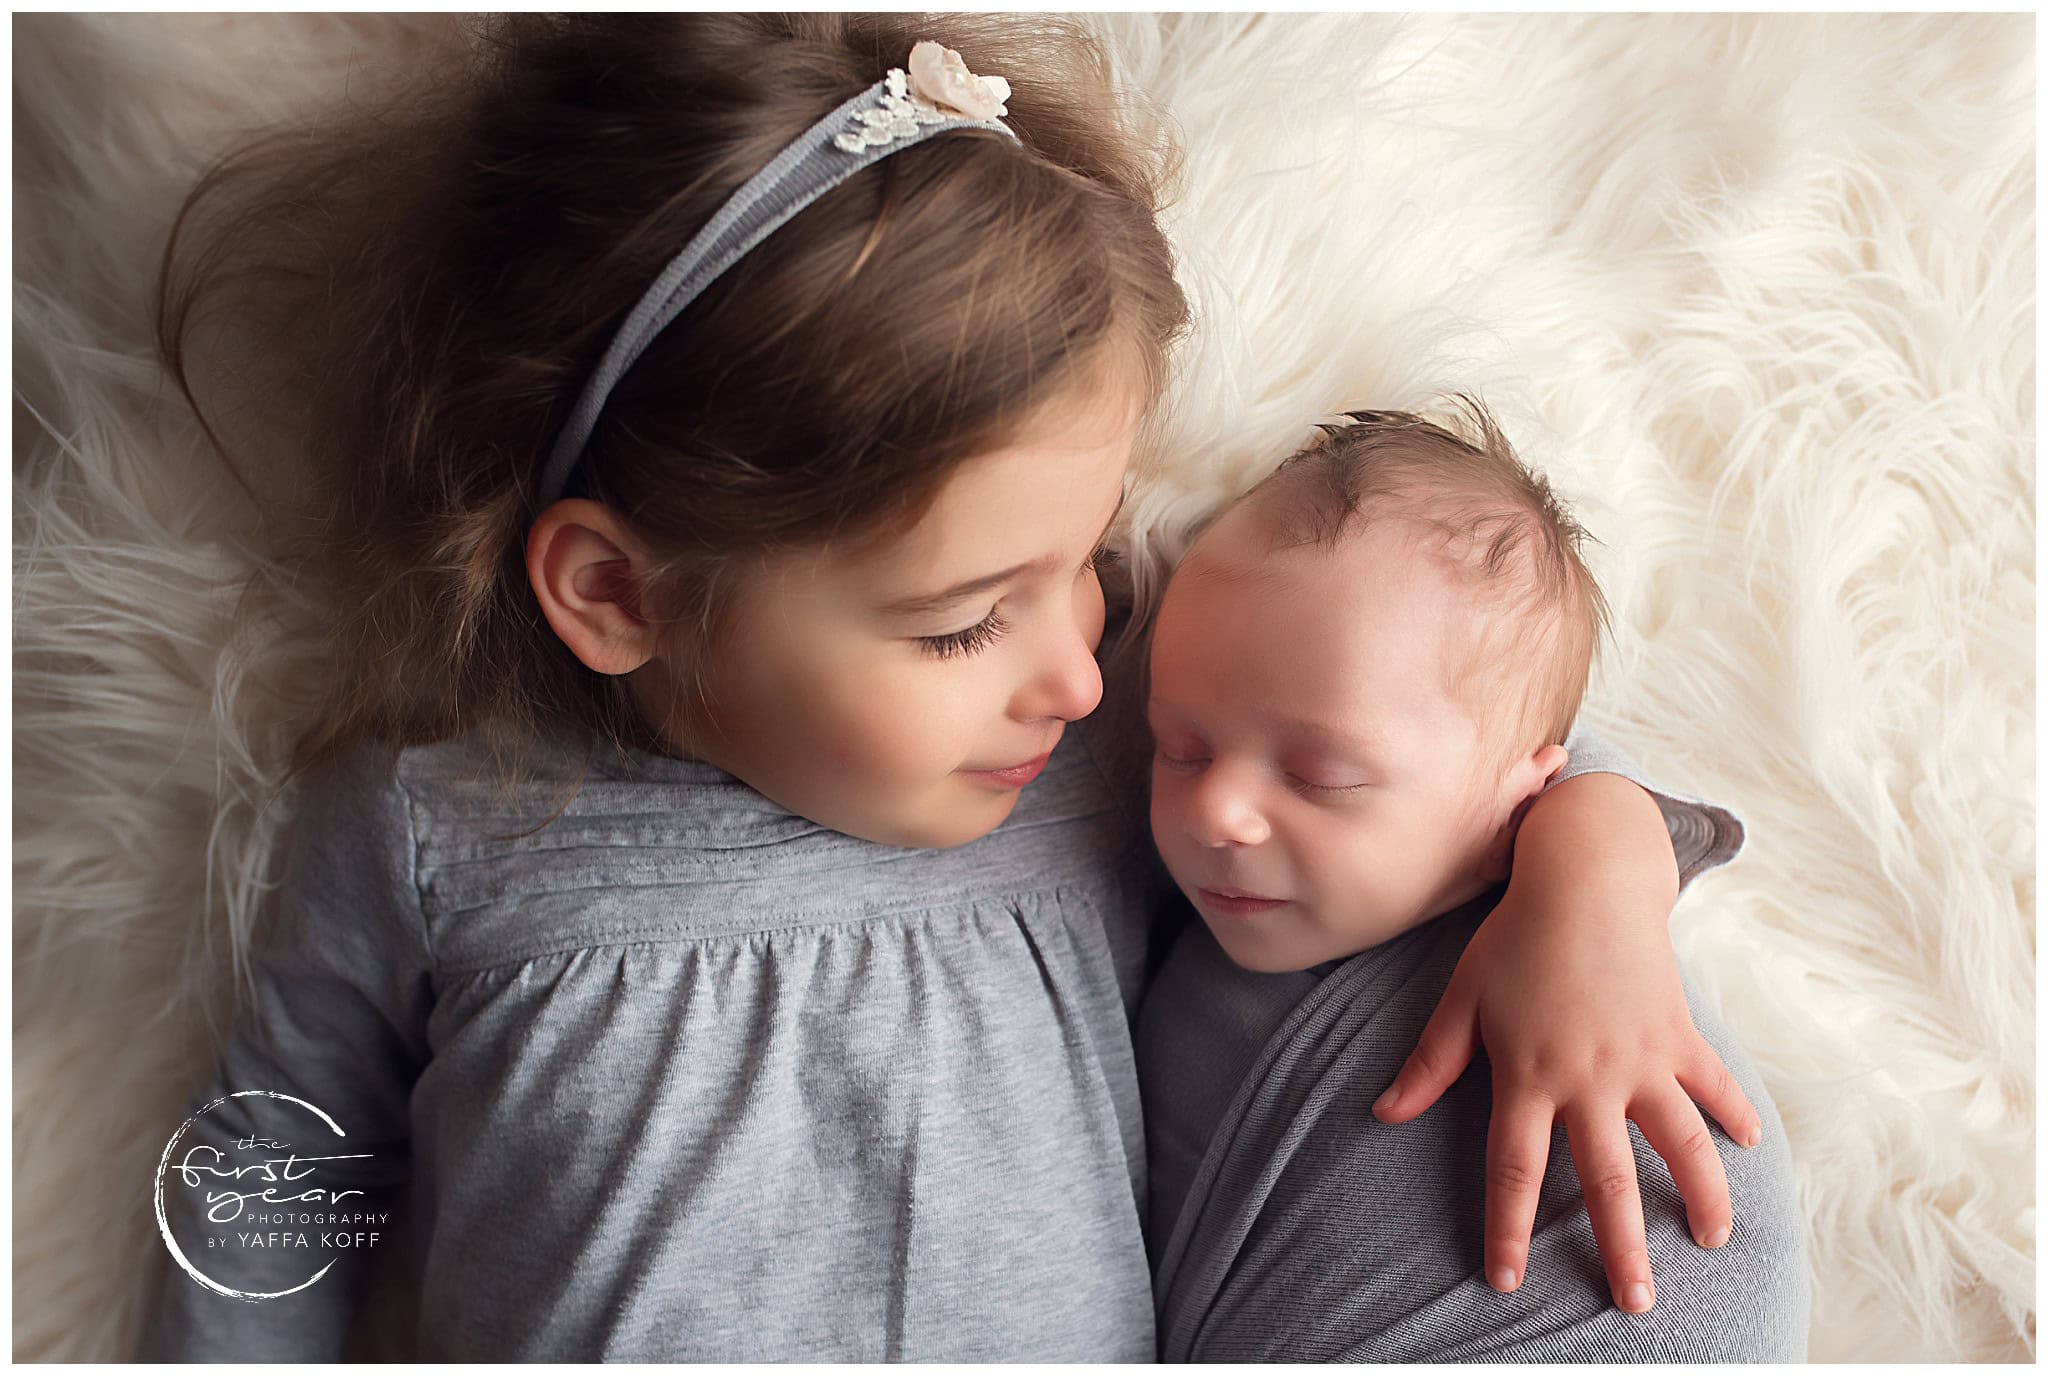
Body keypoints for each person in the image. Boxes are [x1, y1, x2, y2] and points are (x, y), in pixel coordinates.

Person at [141, 15, 1762, 1361]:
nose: (1076, 659)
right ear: (619, 593)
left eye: (1089, 557)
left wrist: (1592, 883)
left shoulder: (1118, 722)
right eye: (959, 622)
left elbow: (1433, 730)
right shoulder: (438, 824)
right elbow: (282, 1163)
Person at [1137, 406, 1809, 1359]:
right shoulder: (1220, 907)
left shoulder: (1547, 879)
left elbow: (1616, 801)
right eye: (1178, 747)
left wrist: (1592, 895)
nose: (1217, 813)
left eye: (1320, 778)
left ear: (1516, 803)